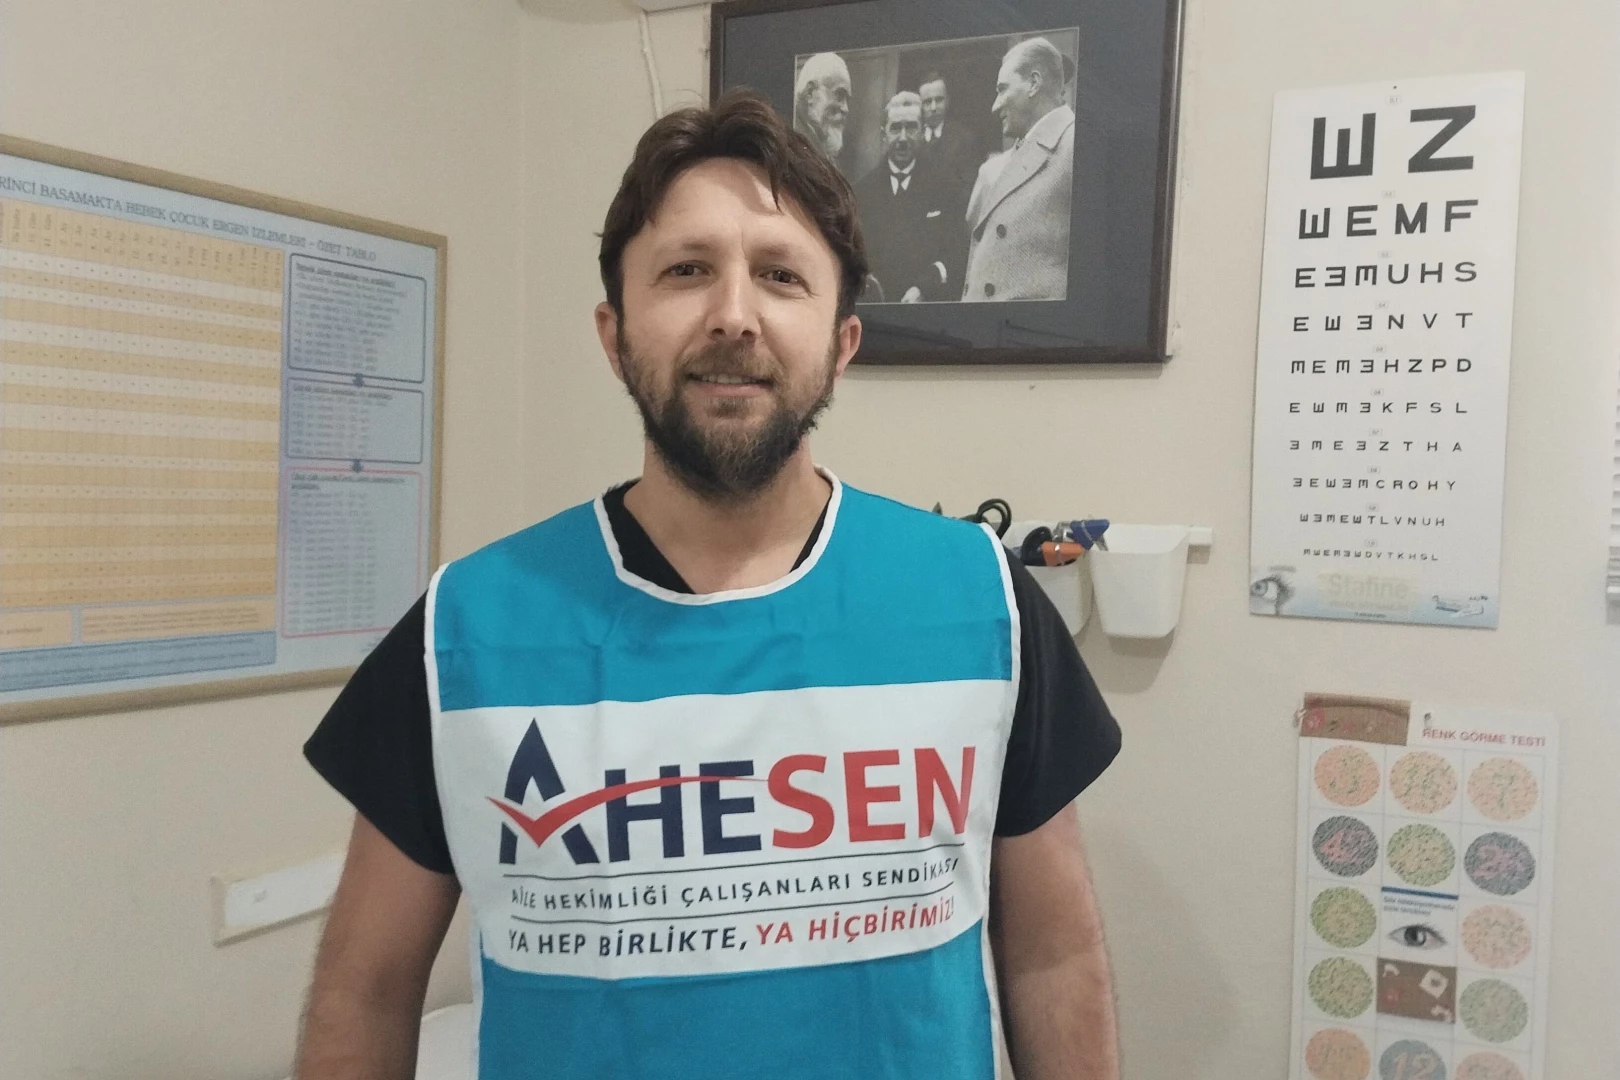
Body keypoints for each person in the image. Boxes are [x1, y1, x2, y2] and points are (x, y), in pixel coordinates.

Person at [295, 89, 1121, 1080]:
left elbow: (1053, 959)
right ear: (614, 335)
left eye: (780, 275)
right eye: (687, 270)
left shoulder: (983, 602)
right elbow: (366, 992)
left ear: (841, 345)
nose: (733, 315)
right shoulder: (465, 629)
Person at [962, 37, 1077, 302]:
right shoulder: (997, 165)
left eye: (1003, 89)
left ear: (1034, 83)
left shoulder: (1075, 145)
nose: (995, 106)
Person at [852, 92, 966, 303]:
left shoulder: (946, 186)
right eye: (896, 128)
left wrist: (924, 287)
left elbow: (958, 252)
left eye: (911, 127)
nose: (903, 138)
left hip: (928, 306)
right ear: (884, 134)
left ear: (922, 132)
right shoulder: (862, 192)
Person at [918, 71, 983, 191]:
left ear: (947, 101)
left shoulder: (964, 139)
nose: (933, 107)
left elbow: (968, 187)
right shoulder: (913, 138)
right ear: (920, 105)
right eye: (927, 102)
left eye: (939, 100)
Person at [792, 51, 851, 162]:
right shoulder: (794, 142)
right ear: (810, 93)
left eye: (847, 100)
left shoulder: (820, 145)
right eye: (839, 95)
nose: (846, 109)